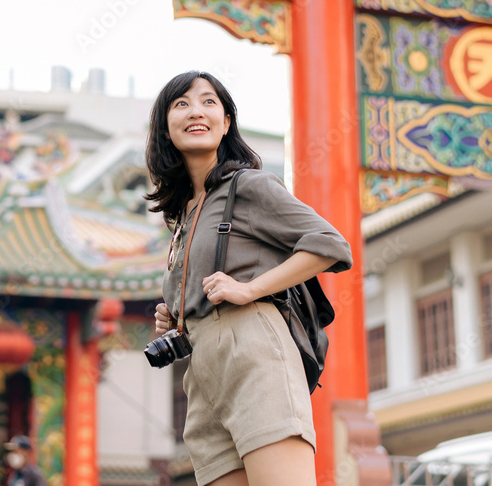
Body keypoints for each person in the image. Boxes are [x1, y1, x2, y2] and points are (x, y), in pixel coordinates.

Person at [147, 71, 352, 486]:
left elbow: (331, 245)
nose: (195, 112)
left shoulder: (249, 186)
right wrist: (177, 312)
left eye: (208, 102)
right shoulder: (183, 213)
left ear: (225, 123)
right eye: (181, 104)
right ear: (165, 128)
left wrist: (251, 288)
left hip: (252, 348)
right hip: (202, 371)